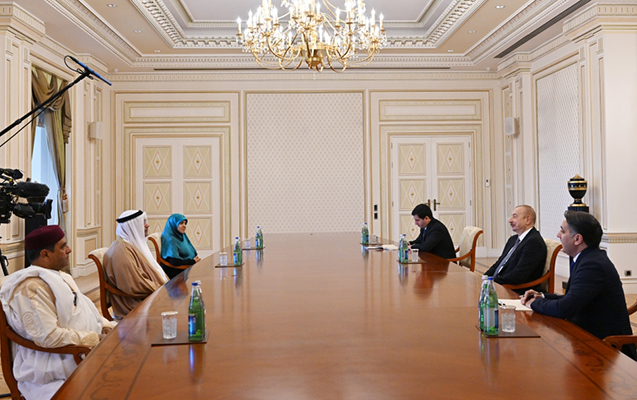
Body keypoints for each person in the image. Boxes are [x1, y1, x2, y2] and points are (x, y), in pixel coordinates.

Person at [0, 225, 115, 400]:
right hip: (52, 368)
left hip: (79, 352)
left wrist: (108, 327)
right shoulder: (30, 289)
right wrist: (94, 338)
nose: (69, 250)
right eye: (63, 246)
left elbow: (83, 310)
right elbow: (48, 337)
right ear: (45, 254)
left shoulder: (60, 276)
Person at [522, 211, 636, 360]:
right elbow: (573, 298)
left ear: (577, 239)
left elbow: (565, 308)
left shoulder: (593, 265)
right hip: (589, 339)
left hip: (609, 349)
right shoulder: (587, 258)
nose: (558, 235)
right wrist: (542, 296)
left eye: (563, 231)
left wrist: (533, 303)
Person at [103, 210, 168, 319]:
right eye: (143, 223)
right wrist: (164, 288)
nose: (147, 225)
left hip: (147, 298)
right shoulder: (121, 251)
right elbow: (134, 285)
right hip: (134, 306)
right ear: (132, 227)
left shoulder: (131, 245)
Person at [484, 205, 546, 292]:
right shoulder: (513, 239)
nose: (510, 220)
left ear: (528, 220)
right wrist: (484, 278)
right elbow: (499, 264)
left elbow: (518, 276)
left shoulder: (534, 243)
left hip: (513, 291)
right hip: (499, 285)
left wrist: (491, 282)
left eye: (515, 216)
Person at [160, 213, 201, 279]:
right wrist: (192, 261)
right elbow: (174, 261)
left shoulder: (182, 236)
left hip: (184, 271)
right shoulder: (170, 239)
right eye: (181, 223)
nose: (184, 226)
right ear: (173, 224)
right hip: (175, 275)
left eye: (185, 223)